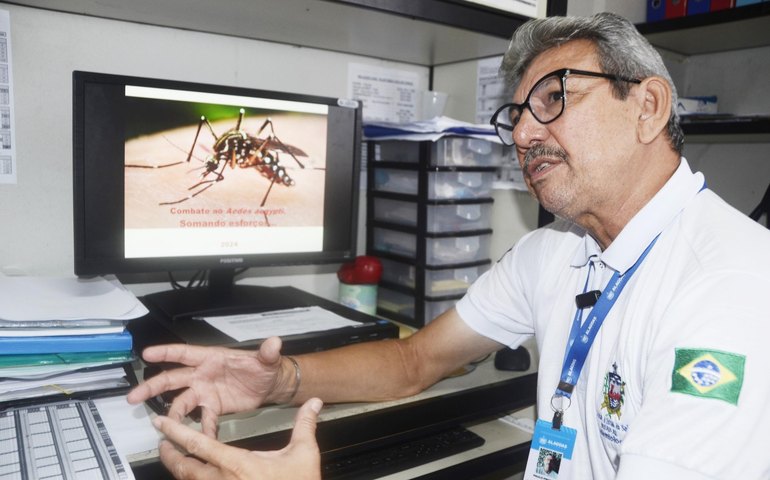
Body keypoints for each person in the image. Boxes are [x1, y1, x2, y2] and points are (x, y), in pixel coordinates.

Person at [128, 11, 770, 479]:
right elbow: (416, 363)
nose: (523, 135)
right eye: (515, 115)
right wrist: (279, 381)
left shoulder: (732, 288)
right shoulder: (556, 252)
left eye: (554, 99)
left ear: (649, 106)